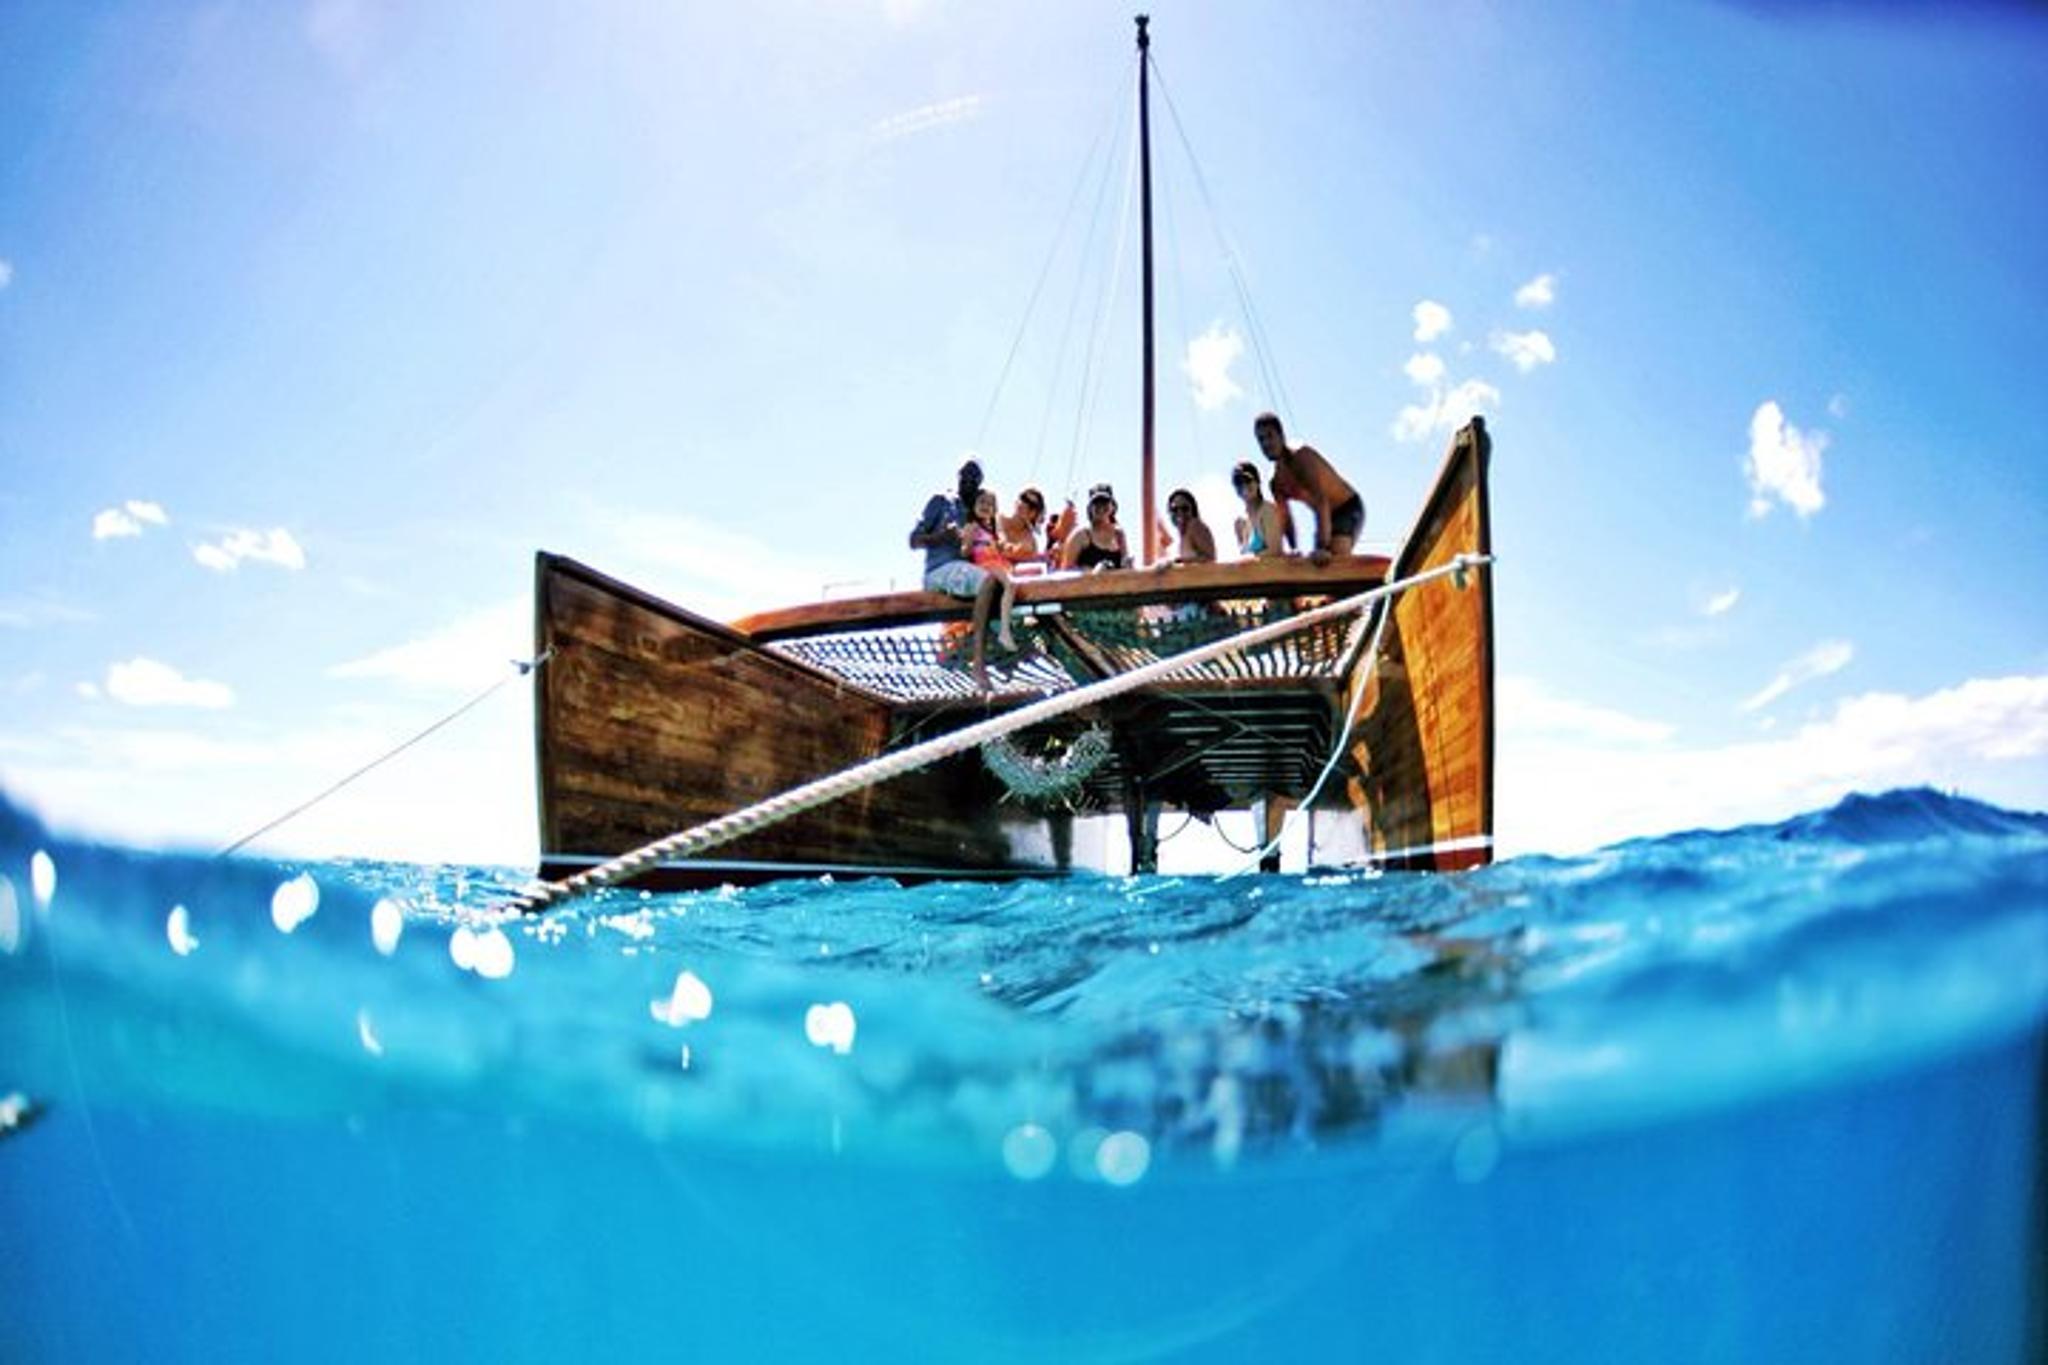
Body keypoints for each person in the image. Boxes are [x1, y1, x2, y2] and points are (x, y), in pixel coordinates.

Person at [909, 458, 1003, 690]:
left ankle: (988, 652)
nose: (969, 481)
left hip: (962, 578)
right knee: (987, 583)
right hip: (940, 571)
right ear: (958, 476)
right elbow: (914, 540)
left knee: (1002, 586)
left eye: (975, 478)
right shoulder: (942, 502)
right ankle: (978, 664)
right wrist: (943, 536)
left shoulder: (977, 511)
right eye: (965, 476)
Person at [1254, 411, 1363, 562]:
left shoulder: (1301, 457)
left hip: (1346, 507)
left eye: (1270, 436)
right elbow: (1286, 519)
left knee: (1334, 559)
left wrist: (1321, 546)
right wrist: (1293, 549)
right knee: (1312, 563)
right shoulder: (1275, 483)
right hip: (1326, 515)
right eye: (1261, 440)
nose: (1266, 444)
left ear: (1281, 436)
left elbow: (1321, 501)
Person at [966, 489, 1020, 652]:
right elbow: (967, 549)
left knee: (1011, 587)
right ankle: (1004, 631)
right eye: (982, 502)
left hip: (997, 562)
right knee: (1010, 585)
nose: (986, 506)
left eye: (990, 504)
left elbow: (1002, 545)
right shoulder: (973, 526)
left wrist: (1004, 546)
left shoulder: (994, 529)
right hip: (984, 563)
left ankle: (1008, 625)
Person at [1061, 484, 1129, 571]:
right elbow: (1066, 572)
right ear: (1090, 508)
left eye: (1104, 502)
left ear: (1113, 506)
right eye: (1096, 503)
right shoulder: (1080, 534)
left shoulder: (1119, 534)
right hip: (1087, 584)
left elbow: (1125, 567)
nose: (1100, 507)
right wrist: (1093, 573)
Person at [1232, 461, 1288, 560]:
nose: (1244, 486)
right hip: (1251, 574)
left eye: (1248, 480)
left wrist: (1249, 560)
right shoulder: (1239, 522)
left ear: (1258, 482)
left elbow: (1274, 550)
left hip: (1274, 573)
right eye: (1238, 483)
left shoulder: (1269, 510)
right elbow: (1243, 553)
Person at [997, 487, 1049, 566]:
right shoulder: (999, 519)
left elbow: (1032, 562)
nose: (1025, 505)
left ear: (1035, 514)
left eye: (1032, 505)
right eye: (1024, 498)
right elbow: (1000, 546)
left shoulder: (1030, 539)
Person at [1166, 487, 1216, 564]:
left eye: (1184, 508)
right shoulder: (1183, 535)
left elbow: (1210, 558)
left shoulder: (1195, 525)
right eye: (1175, 509)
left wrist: (1180, 562)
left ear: (1193, 509)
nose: (1180, 513)